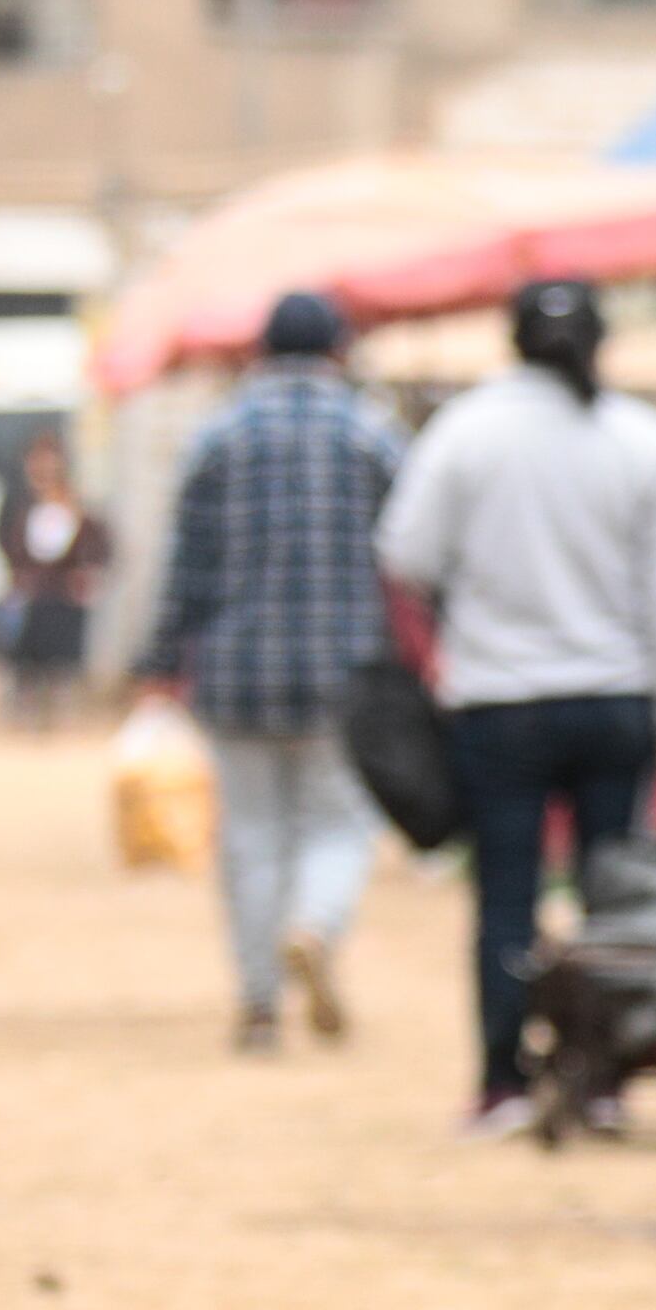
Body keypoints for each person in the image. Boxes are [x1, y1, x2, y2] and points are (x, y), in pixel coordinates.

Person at [376, 278, 656, 1135]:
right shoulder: (642, 439)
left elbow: (408, 552)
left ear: (514, 341)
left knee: (506, 895)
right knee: (612, 898)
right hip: (617, 700)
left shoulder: (466, 432)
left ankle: (504, 1083)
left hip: (500, 702)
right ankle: (599, 1079)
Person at [134, 290, 405, 1055]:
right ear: (338, 352)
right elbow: (412, 552)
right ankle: (314, 925)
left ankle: (258, 1007)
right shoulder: (372, 435)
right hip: (345, 672)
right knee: (340, 821)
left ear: (260, 352)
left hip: (237, 673)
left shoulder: (218, 437)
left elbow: (186, 566)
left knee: (251, 837)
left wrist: (160, 660)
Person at [0, 433, 108, 732]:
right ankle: (24, 716)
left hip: (62, 595)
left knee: (61, 660)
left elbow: (98, 546)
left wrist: (85, 574)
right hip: (31, 594)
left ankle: (60, 718)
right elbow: (6, 543)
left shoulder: (76, 506)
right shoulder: (18, 504)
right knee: (23, 658)